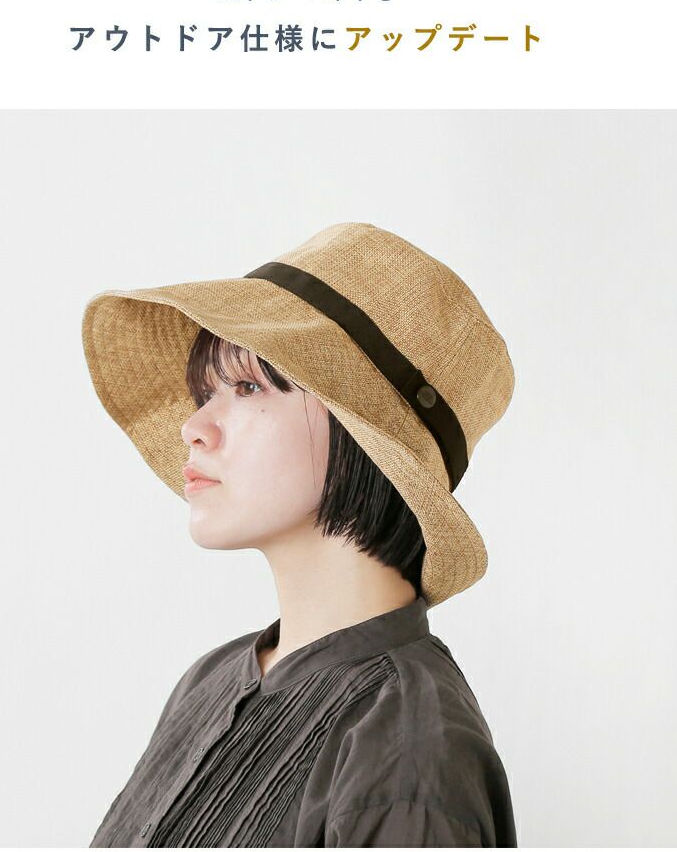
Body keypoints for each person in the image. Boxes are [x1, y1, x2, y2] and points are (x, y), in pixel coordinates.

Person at [82, 221, 518, 847]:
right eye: (204, 393)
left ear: (361, 431)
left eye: (247, 386)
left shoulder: (406, 748)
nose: (194, 427)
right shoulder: (212, 680)